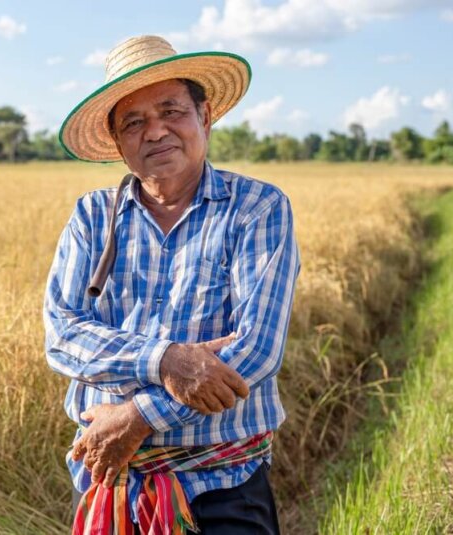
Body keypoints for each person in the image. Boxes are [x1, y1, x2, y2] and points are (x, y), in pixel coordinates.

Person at [43, 35, 301, 534]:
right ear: (118, 143)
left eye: (171, 111)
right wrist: (169, 361)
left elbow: (256, 351)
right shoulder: (92, 218)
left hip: (224, 481)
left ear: (204, 117)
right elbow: (62, 334)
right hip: (112, 483)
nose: (156, 132)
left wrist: (139, 414)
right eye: (134, 123)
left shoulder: (257, 208)